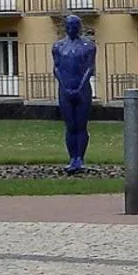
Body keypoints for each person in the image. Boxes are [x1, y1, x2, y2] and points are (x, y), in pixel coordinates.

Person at [52, 14, 97, 173]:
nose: (72, 28)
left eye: (75, 25)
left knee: (81, 125)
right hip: (65, 90)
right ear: (66, 27)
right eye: (69, 25)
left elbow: (90, 68)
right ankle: (72, 157)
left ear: (79, 27)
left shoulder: (88, 46)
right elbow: (56, 68)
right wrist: (64, 86)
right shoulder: (58, 46)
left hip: (82, 90)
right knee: (70, 126)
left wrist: (80, 86)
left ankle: (80, 158)